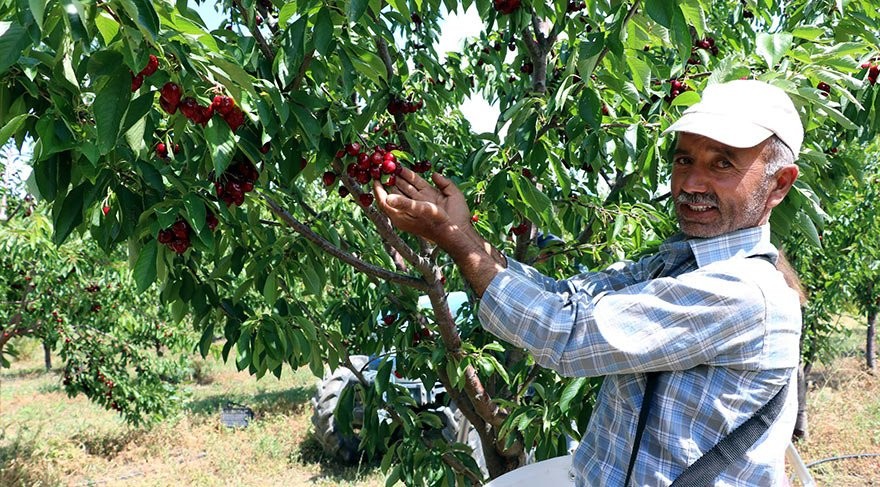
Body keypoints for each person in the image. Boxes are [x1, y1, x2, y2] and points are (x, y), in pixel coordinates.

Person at [372, 79, 804, 486]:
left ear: (779, 183)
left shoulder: (744, 293)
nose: (691, 183)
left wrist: (458, 242)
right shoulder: (676, 264)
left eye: (722, 163)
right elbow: (568, 299)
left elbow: (568, 335)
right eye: (683, 159)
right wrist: (468, 236)